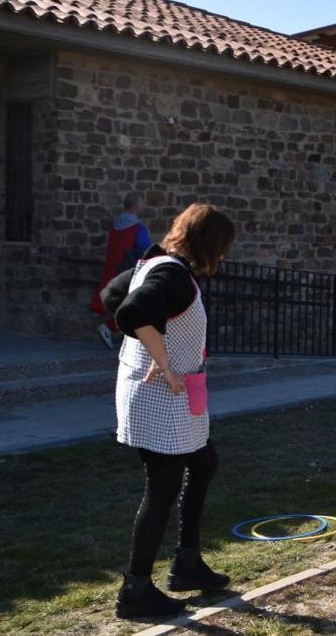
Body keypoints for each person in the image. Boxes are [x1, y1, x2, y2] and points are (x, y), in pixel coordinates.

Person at [102, 203, 235, 619]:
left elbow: (111, 294)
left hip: (174, 396)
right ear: (209, 243)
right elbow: (133, 310)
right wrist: (161, 361)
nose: (226, 256)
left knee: (204, 460)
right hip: (161, 398)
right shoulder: (171, 273)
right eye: (224, 247)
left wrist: (153, 352)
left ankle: (188, 563)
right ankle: (135, 590)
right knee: (162, 488)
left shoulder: (158, 263)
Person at [90, 193, 152, 348]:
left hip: (113, 269)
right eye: (142, 203)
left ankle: (111, 330)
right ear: (136, 206)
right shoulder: (137, 228)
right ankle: (111, 330)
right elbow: (146, 249)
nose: (144, 206)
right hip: (130, 271)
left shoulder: (115, 226)